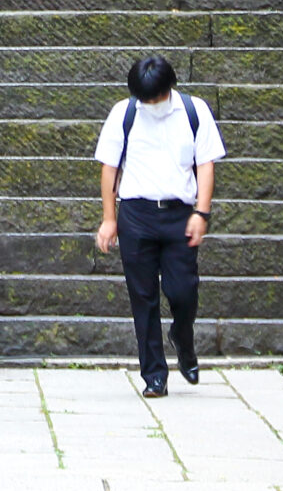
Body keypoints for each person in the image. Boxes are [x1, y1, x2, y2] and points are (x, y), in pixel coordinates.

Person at [92, 55, 226, 397]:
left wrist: (202, 213)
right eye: (143, 98)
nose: (149, 104)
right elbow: (110, 168)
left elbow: (205, 164)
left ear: (168, 88)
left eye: (154, 97)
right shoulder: (125, 113)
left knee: (183, 292)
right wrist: (110, 219)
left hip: (179, 214)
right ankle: (154, 374)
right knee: (143, 296)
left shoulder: (194, 111)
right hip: (136, 214)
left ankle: (183, 337)